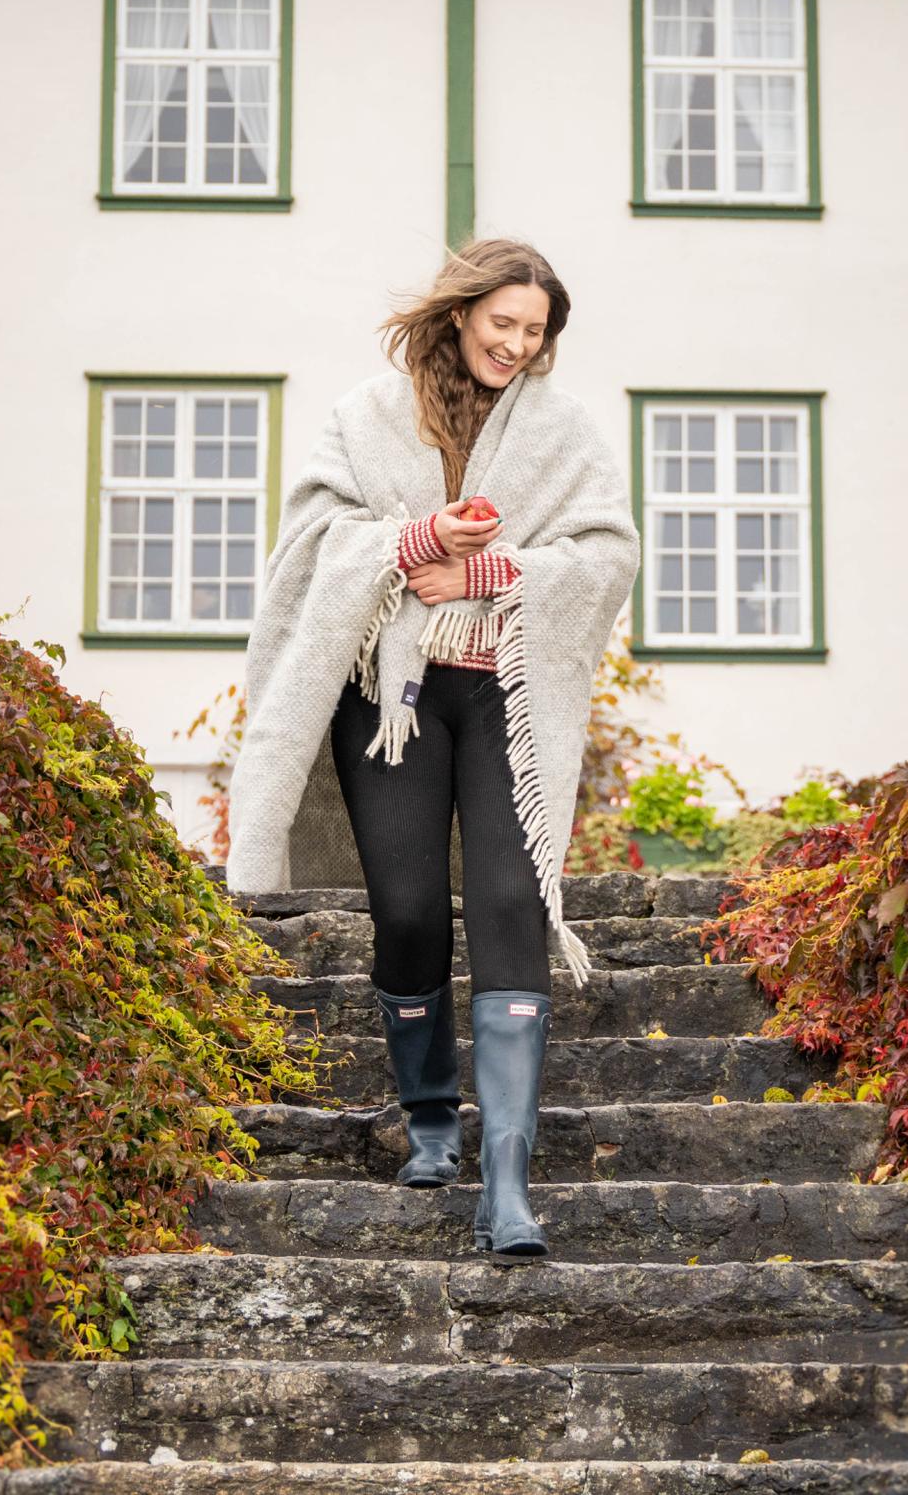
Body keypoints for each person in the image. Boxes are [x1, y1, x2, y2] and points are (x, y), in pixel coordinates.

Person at [225, 240, 641, 1261]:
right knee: (407, 911)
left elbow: (607, 552)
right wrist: (411, 548)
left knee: (508, 902)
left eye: (535, 331)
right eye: (502, 322)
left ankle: (505, 1183)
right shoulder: (366, 414)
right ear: (459, 314)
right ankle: (429, 1119)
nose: (516, 343)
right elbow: (311, 541)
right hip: (392, 695)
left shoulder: (567, 431)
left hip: (505, 689)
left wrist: (497, 570)